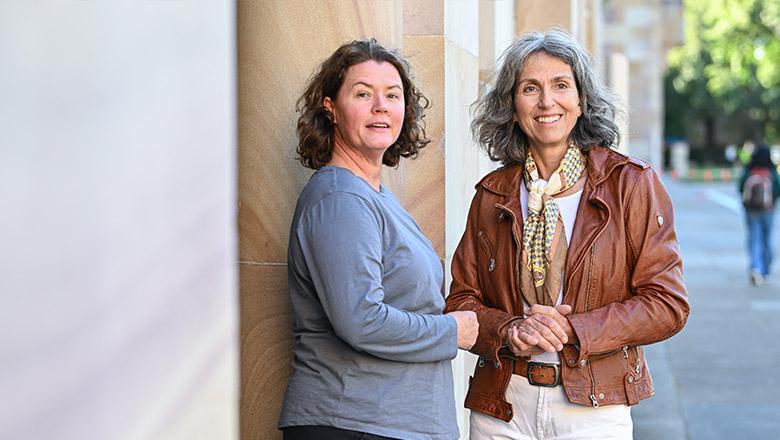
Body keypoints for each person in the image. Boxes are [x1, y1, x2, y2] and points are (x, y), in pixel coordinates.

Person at [445, 29, 690, 439]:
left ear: (581, 100)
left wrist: (576, 329)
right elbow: (461, 299)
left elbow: (667, 303)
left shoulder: (630, 184)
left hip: (594, 407)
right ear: (512, 104)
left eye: (561, 85)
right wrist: (508, 330)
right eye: (530, 88)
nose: (546, 102)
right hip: (502, 406)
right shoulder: (492, 194)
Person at [277, 38, 478, 440]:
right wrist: (450, 332)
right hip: (353, 421)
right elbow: (361, 321)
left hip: (390, 424)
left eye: (392, 95)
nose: (381, 106)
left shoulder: (376, 197)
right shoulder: (340, 199)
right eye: (363, 94)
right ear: (331, 109)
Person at [738, 144, 780, 286]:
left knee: (754, 239)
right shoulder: (772, 171)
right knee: (766, 239)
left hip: (751, 210)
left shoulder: (749, 170)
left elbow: (741, 186)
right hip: (768, 210)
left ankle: (756, 268)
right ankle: (765, 270)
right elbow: (778, 189)